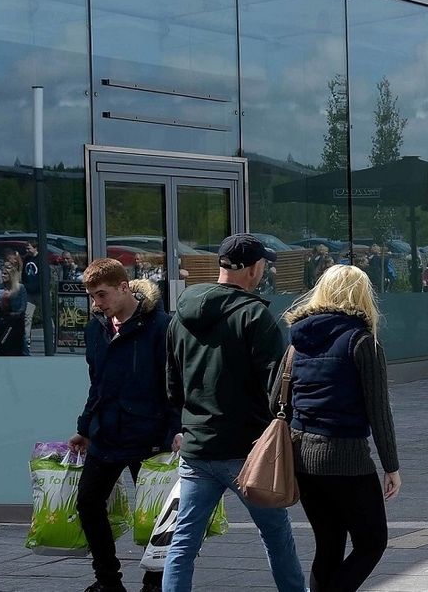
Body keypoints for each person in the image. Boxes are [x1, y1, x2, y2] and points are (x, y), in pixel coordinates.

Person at [163, 233, 304, 592]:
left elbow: (171, 386)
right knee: (275, 535)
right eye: (264, 265)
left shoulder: (180, 315)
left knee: (183, 543)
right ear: (254, 269)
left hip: (197, 449)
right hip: (248, 451)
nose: (265, 271)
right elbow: (279, 388)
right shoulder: (256, 316)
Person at [280, 265, 401, 591]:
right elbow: (379, 410)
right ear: (362, 296)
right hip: (345, 457)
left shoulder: (297, 343)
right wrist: (391, 466)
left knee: (328, 544)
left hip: (302, 458)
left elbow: (276, 398)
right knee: (372, 542)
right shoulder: (363, 342)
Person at [70, 261, 178, 592]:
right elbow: (97, 384)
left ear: (124, 287)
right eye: (92, 296)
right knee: (88, 503)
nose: (97, 303)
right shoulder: (97, 329)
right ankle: (107, 580)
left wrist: (176, 428)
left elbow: (177, 385)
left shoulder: (161, 327)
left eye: (101, 294)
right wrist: (85, 428)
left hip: (149, 434)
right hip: (107, 433)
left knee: (158, 514)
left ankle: (155, 582)